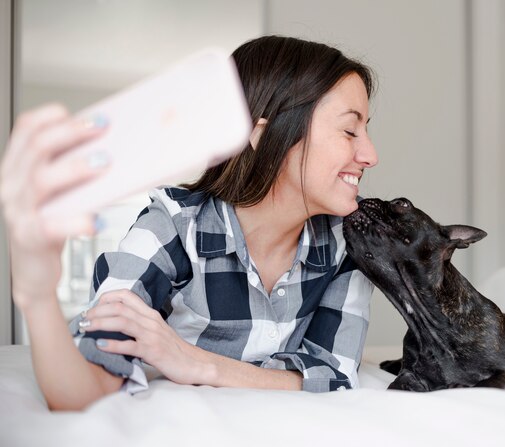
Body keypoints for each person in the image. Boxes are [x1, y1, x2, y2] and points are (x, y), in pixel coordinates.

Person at [0, 35, 378, 411]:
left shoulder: (349, 239)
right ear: (264, 136)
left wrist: (198, 363)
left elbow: (334, 377)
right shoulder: (173, 228)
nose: (370, 155)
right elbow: (81, 392)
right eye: (349, 130)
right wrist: (37, 294)